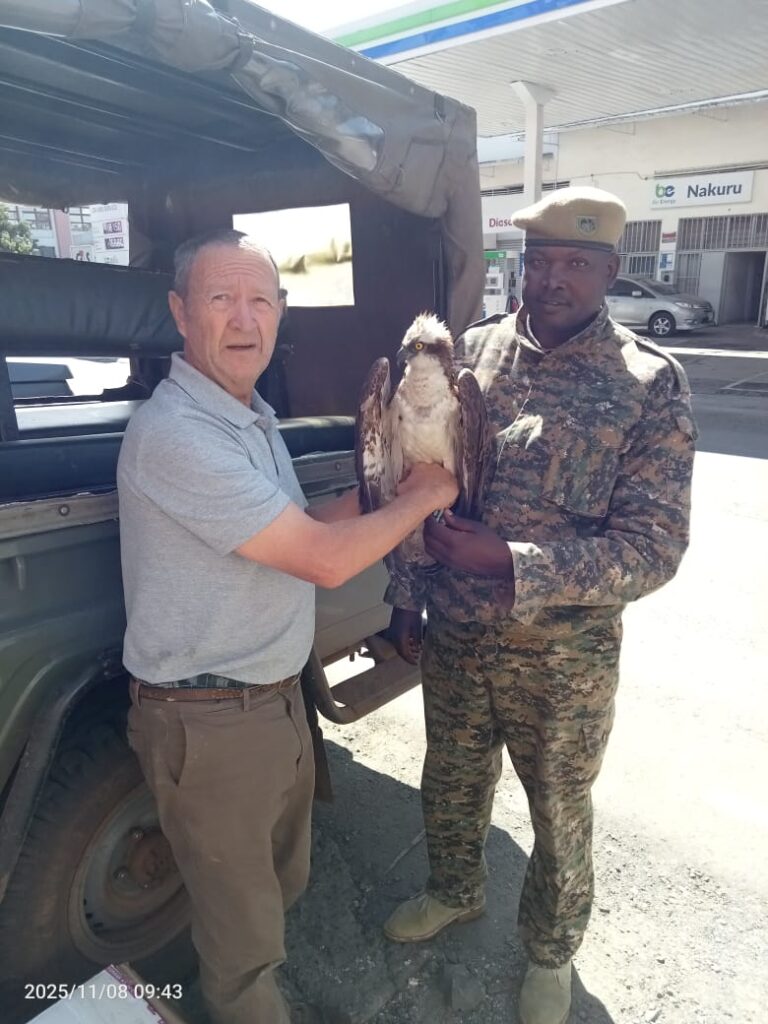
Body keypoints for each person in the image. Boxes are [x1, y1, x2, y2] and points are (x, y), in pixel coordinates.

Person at [116, 228, 457, 1024]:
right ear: (179, 312)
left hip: (270, 703)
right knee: (243, 944)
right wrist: (426, 496)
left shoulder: (249, 416)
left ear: (280, 312)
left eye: (261, 299)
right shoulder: (177, 435)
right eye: (220, 299)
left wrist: (387, 489)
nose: (244, 319)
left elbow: (299, 526)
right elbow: (327, 561)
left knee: (276, 886)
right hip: (210, 723)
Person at [382, 187, 696, 1024]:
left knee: (557, 811)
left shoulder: (646, 383)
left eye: (576, 264)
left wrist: (511, 562)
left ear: (610, 272)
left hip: (564, 661)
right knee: (449, 780)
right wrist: (408, 595)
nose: (553, 278)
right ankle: (455, 890)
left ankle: (551, 954)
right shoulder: (467, 357)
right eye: (542, 260)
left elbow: (654, 548)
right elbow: (420, 488)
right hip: (456, 633)